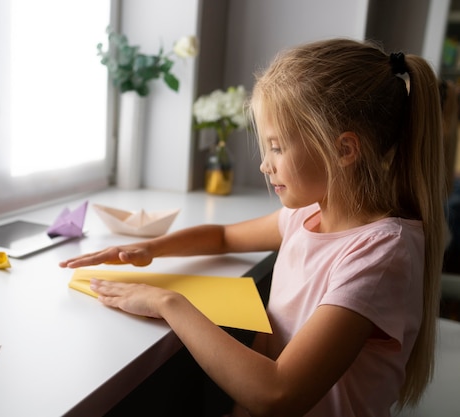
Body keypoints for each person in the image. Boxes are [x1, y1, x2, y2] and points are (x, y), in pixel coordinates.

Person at [60, 38, 446, 417]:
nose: (265, 164)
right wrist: (151, 249)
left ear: (344, 150)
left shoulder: (380, 253)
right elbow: (223, 236)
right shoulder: (308, 216)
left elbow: (277, 392)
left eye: (277, 147)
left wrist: (167, 302)